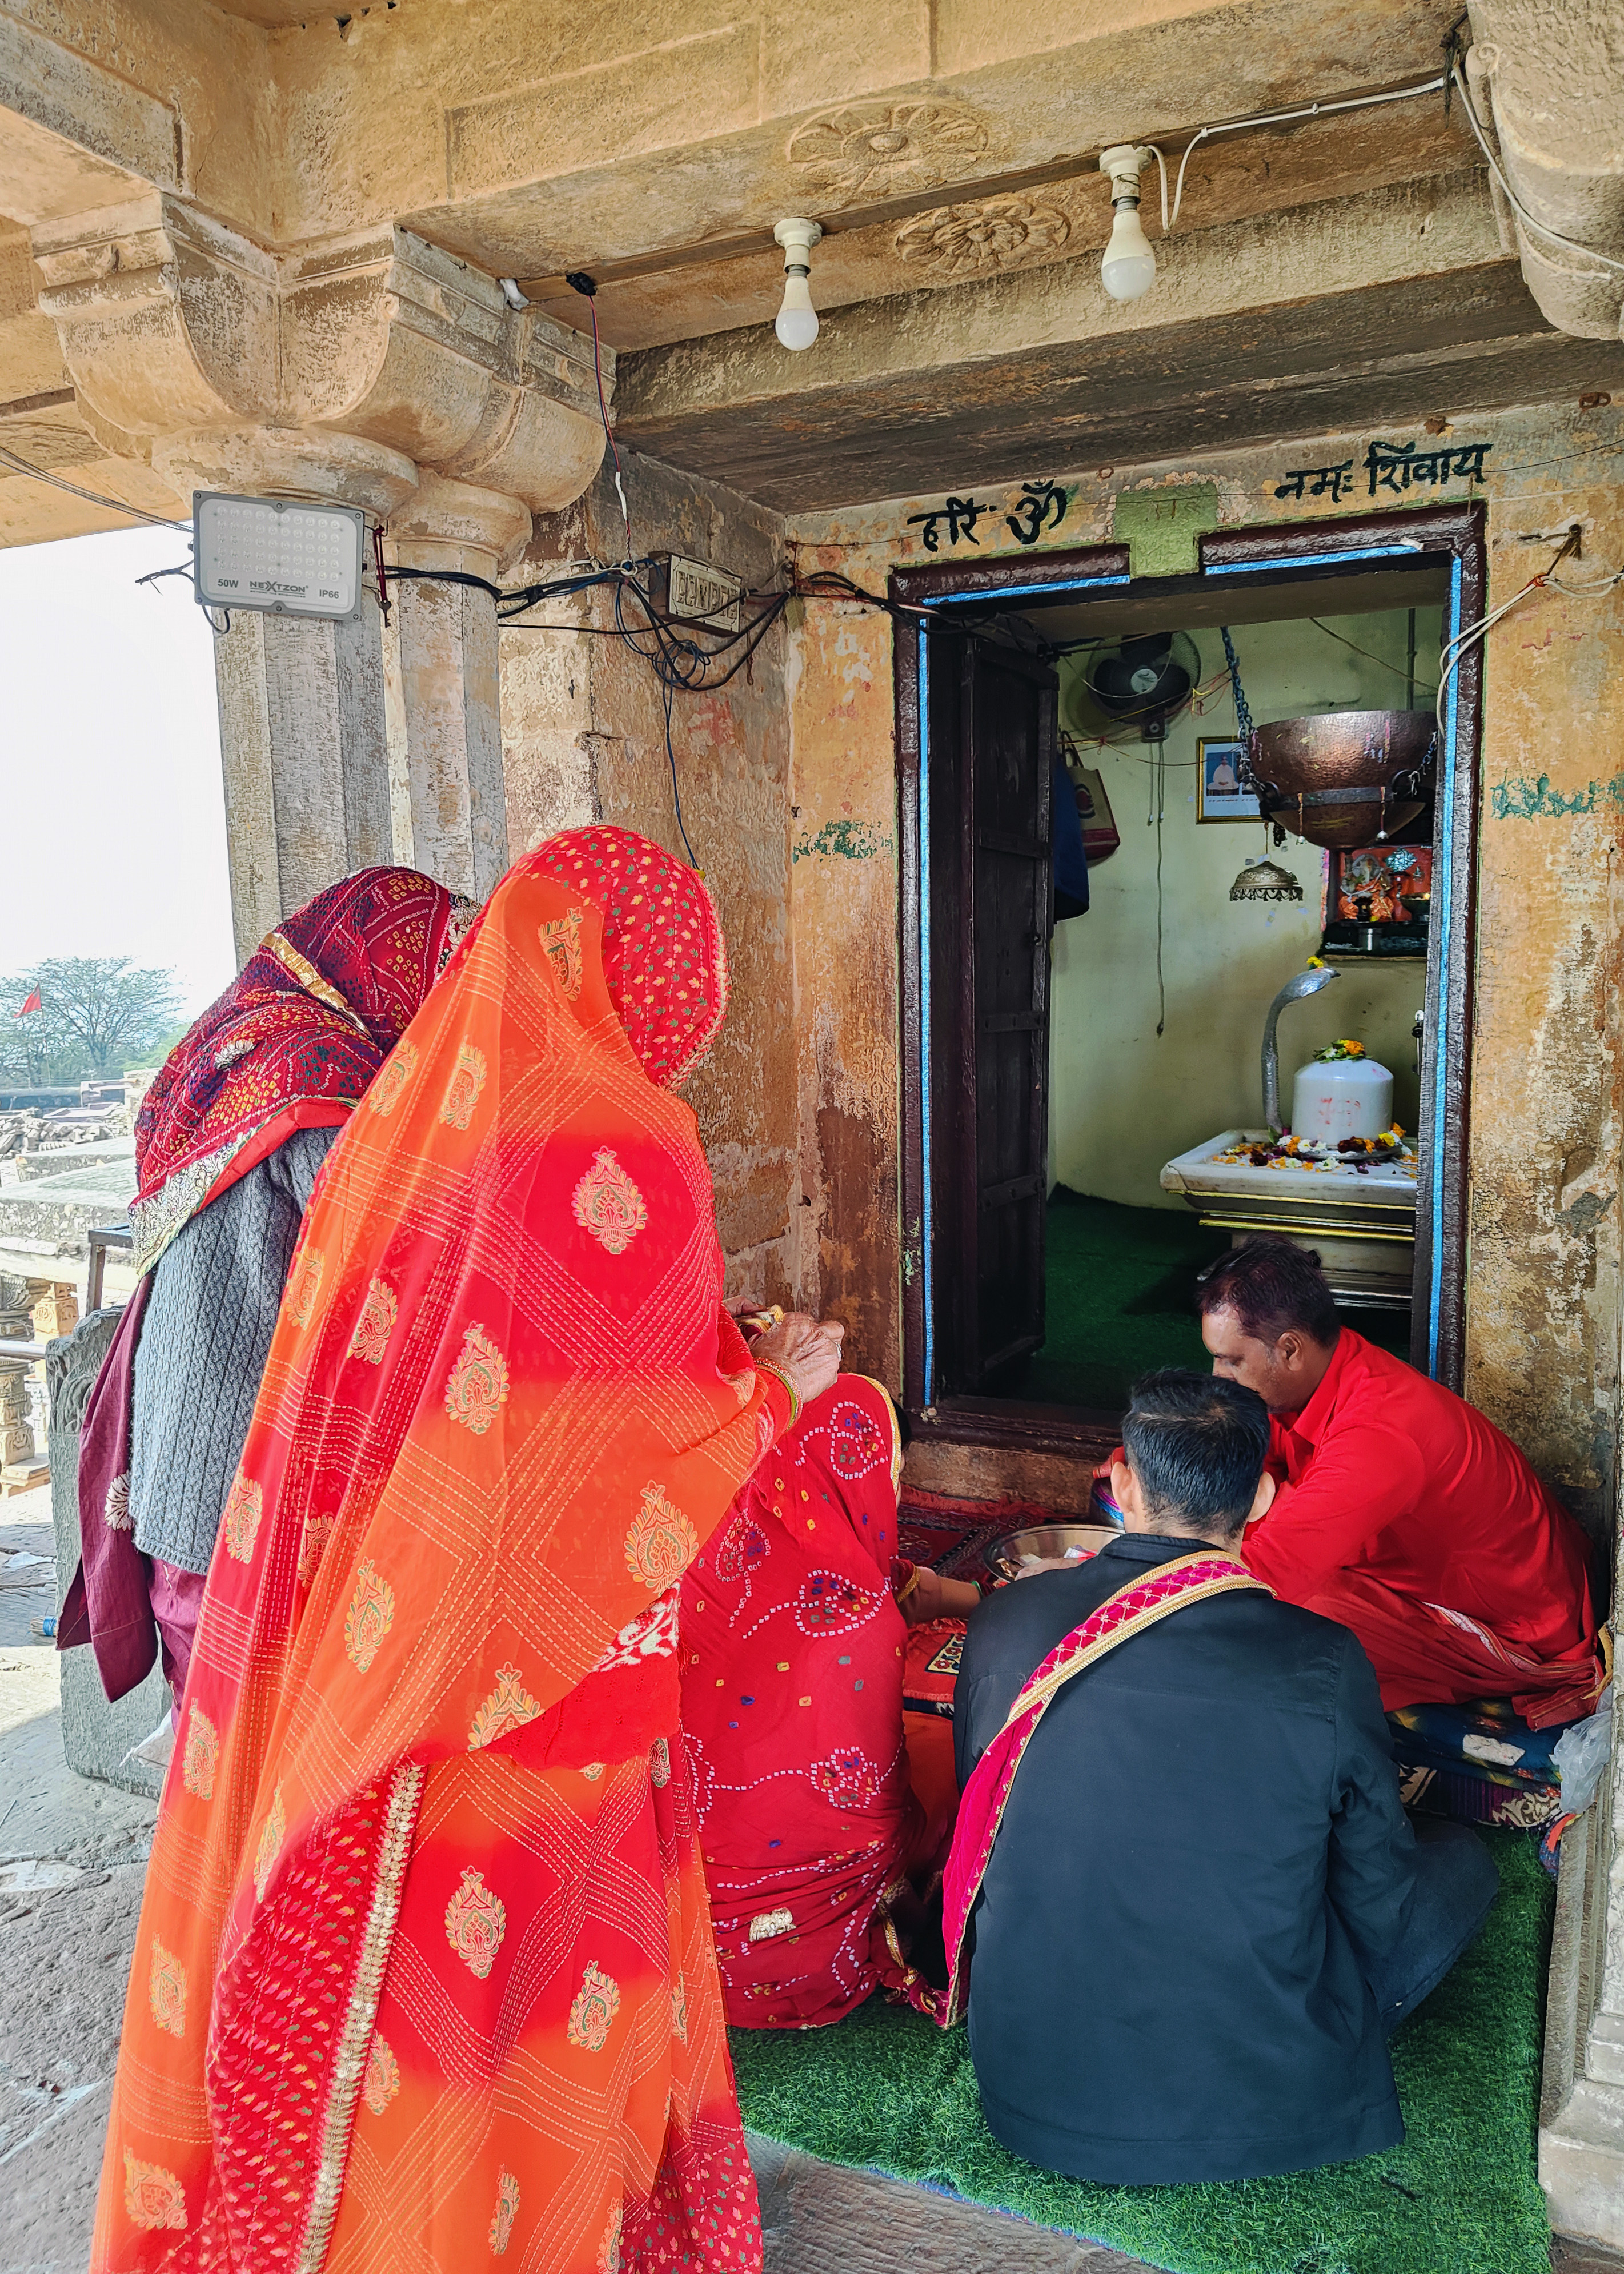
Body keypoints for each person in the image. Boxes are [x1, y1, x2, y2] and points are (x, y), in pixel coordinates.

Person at [89, 827, 843, 2274]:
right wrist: (762, 1392)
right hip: (522, 1637)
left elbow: (464, 1381)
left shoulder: (337, 1093)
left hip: (326, 1559)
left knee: (363, 1905)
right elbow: (580, 1435)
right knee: (552, 1975)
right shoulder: (553, 1142)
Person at [948, 1369, 1499, 2185]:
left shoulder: (1002, 1622)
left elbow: (984, 1819)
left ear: (1121, 1486)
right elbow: (1375, 1885)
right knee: (1455, 1858)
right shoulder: (1320, 1657)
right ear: (1265, 1497)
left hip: (1029, 2090)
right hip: (1255, 2107)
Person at [59, 868, 475, 1729]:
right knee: (256, 1797)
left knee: (212, 1773)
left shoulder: (228, 1052)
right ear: (385, 968)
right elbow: (401, 1269)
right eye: (438, 973)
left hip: (178, 1475)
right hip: (244, 1504)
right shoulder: (320, 1077)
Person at [1197, 1237, 1606, 1729]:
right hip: (1428, 1581)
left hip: (1520, 1634)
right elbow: (1227, 1454)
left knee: (1276, 1619)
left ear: (1289, 1349)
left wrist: (1123, 1593)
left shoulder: (1376, 1432)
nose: (1218, 1376)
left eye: (1231, 1360)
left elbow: (1258, 1577)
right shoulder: (1319, 1377)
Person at [680, 1366, 976, 2028]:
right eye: (892, 1472)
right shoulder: (854, 1624)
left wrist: (987, 1597)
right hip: (816, 1949)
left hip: (682, 1938)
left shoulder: (695, 1549)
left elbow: (902, 1579)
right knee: (960, 1766)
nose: (893, 1492)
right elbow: (868, 1812)